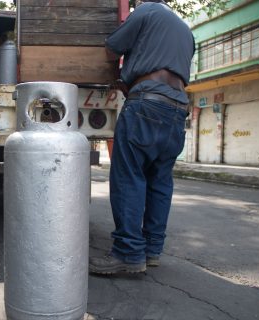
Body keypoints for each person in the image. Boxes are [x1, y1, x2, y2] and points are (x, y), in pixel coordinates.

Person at [89, 0, 195, 274]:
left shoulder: (147, 11)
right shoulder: (186, 31)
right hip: (178, 109)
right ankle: (151, 250)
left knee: (129, 175)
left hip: (147, 104)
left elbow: (112, 49)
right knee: (160, 180)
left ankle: (127, 253)